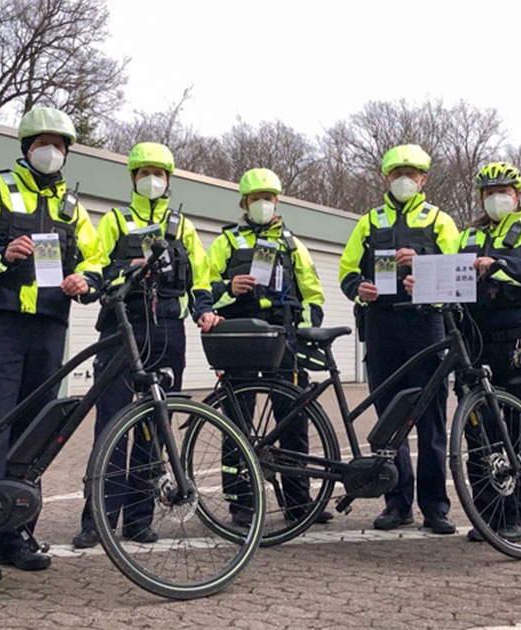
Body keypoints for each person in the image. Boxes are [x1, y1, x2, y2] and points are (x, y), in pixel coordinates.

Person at [0, 106, 105, 585]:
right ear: (26, 148)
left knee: (35, 439)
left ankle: (16, 538)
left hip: (50, 328)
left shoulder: (73, 209)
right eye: (42, 143)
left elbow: (94, 259)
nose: (52, 151)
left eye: (60, 144)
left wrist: (85, 280)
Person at [70, 142, 222, 549]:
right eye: (144, 172)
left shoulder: (182, 226)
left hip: (168, 332)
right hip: (123, 330)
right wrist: (127, 270)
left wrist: (204, 310)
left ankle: (139, 519)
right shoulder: (115, 221)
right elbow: (96, 270)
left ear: (169, 178)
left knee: (156, 429)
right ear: (133, 177)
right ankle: (96, 519)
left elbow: (200, 278)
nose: (152, 179)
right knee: (111, 425)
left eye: (159, 172)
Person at [338, 144, 460, 535]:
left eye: (412, 173)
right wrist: (359, 287)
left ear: (424, 179)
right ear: (386, 179)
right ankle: (397, 503)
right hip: (382, 327)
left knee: (431, 423)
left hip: (427, 327)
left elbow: (458, 273)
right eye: (397, 173)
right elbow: (345, 271)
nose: (405, 179)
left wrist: (422, 268)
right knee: (388, 421)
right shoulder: (368, 222)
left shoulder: (441, 220)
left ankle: (435, 507)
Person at [206, 167, 331, 527]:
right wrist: (230, 288)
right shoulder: (225, 243)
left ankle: (298, 503)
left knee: (293, 420)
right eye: (257, 198)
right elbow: (203, 289)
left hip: (285, 338)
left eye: (270, 198)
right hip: (242, 336)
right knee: (238, 421)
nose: (264, 204)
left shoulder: (292, 244)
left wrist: (307, 334)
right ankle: (241, 504)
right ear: (245, 203)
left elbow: (313, 293)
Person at [457, 160, 521, 542]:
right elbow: (446, 271)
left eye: (504, 192)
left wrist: (498, 264)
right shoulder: (466, 236)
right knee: (479, 436)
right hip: (475, 346)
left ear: (518, 195)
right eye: (489, 193)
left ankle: (519, 517)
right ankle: (488, 518)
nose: (496, 199)